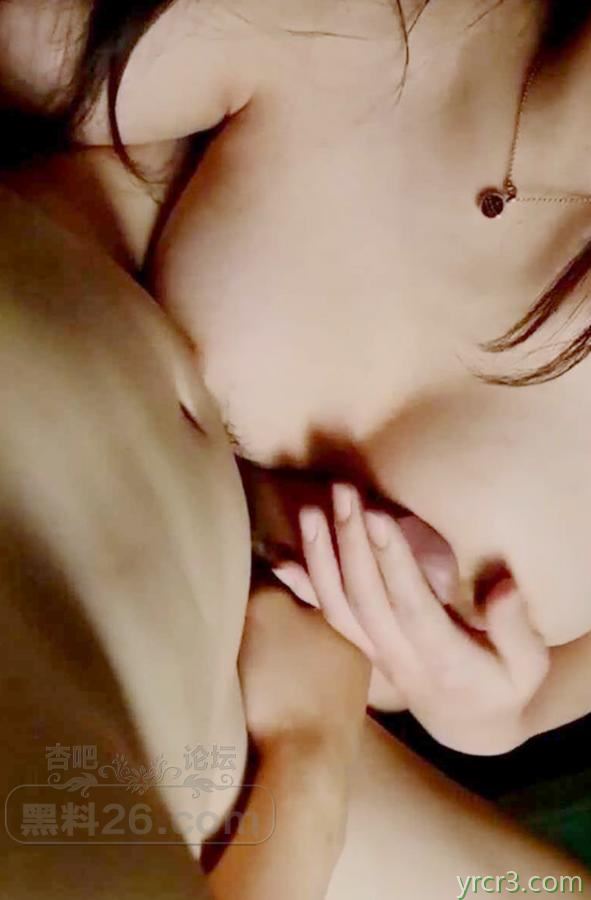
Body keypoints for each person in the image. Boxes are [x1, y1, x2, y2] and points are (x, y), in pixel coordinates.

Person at [0, 1, 590, 897]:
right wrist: (307, 765)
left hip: (232, 721)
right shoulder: (362, 29)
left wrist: (511, 712)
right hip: (169, 677)